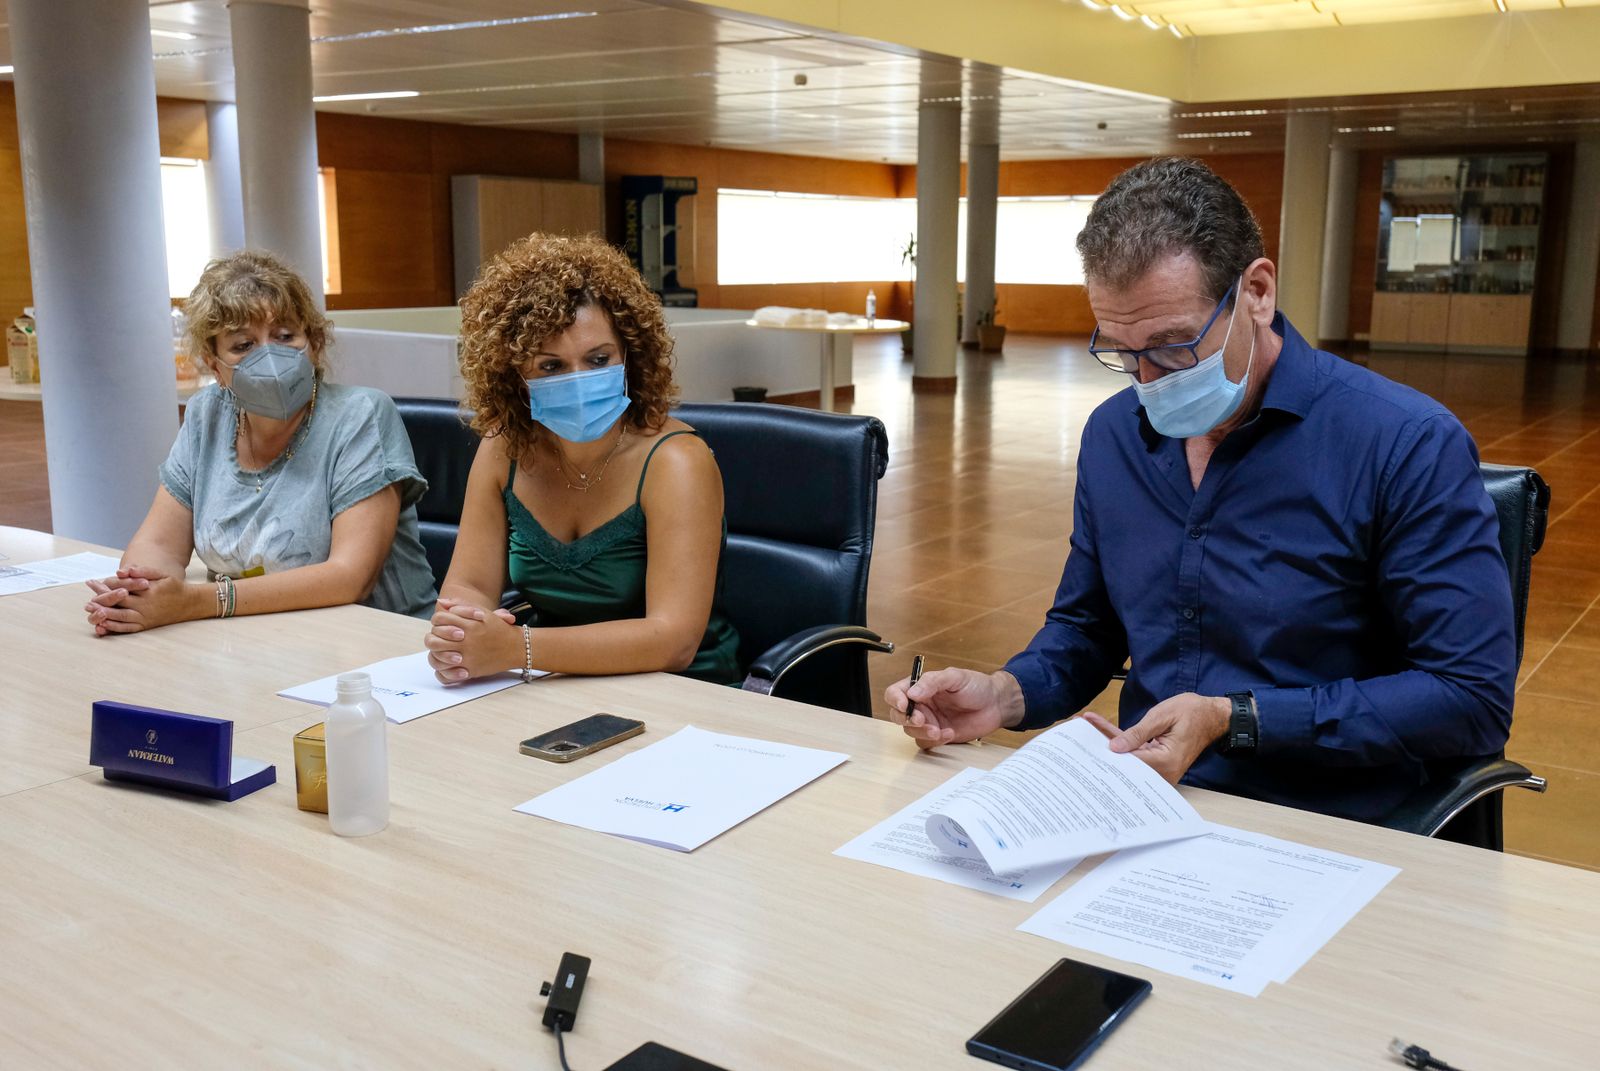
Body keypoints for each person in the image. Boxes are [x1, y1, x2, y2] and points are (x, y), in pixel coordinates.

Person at [885, 157, 1517, 823]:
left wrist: (1233, 718)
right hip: (1145, 805)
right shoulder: (1114, 437)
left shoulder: (1403, 443)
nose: (1150, 379)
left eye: (1174, 346)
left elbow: (1470, 698)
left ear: (1258, 292)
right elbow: (1086, 625)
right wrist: (1004, 693)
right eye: (1123, 353)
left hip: (1327, 821)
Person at [423, 233, 740, 685]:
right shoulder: (504, 449)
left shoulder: (676, 463)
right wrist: (460, 635)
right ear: (515, 373)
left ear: (629, 354)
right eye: (551, 366)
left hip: (684, 693)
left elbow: (673, 641)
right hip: (553, 682)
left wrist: (517, 648)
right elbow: (470, 584)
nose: (579, 379)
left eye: (597, 359)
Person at [84, 250, 437, 633]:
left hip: (376, 644)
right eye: (243, 345)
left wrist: (198, 602)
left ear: (313, 344)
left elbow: (350, 577)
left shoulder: (361, 414)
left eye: (285, 336)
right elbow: (160, 545)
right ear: (216, 365)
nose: (268, 356)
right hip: (251, 640)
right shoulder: (208, 413)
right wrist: (140, 593)